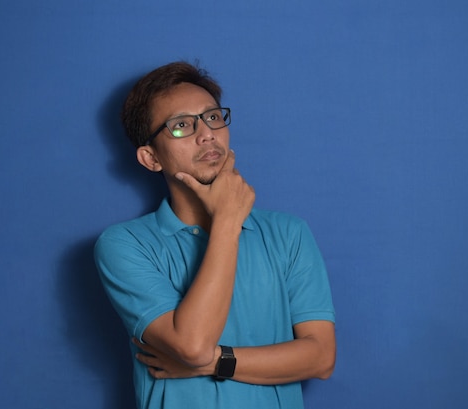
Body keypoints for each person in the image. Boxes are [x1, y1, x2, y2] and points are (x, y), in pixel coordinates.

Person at [94, 61, 336, 409]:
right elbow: (191, 345)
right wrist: (226, 221)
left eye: (213, 117)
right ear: (150, 158)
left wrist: (214, 361)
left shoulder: (288, 233)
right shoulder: (124, 245)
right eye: (180, 126)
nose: (206, 133)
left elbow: (321, 357)